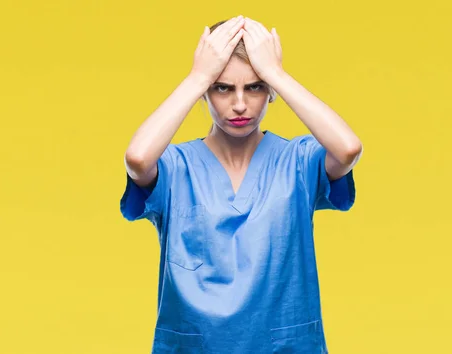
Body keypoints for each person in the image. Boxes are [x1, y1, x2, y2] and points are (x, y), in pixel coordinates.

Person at [119, 15, 362, 354]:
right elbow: (137, 159)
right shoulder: (176, 167)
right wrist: (198, 76)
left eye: (254, 87)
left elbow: (348, 148)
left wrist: (275, 73)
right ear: (206, 92)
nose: (239, 105)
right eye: (222, 87)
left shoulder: (298, 160)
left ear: (270, 92)